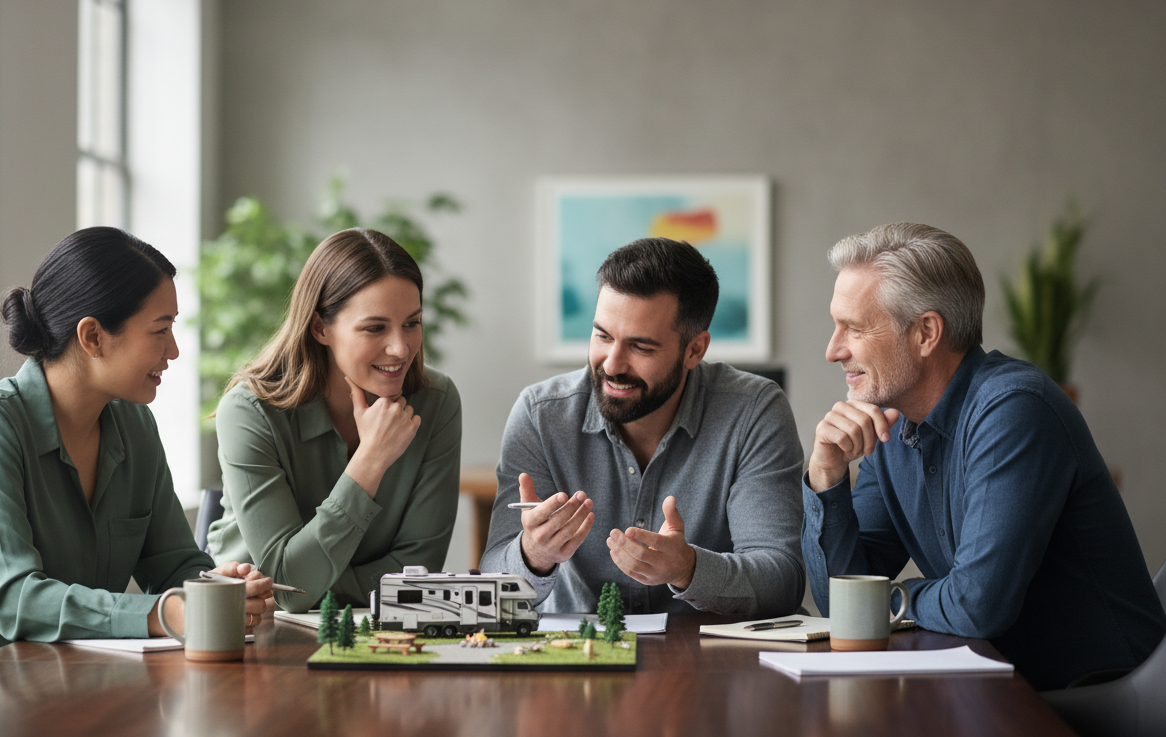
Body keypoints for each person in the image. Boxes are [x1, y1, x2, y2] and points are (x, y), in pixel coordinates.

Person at [0, 228, 274, 688]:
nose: (174, 350)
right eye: (160, 330)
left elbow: (172, 565)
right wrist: (169, 613)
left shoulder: (135, 426)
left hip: (56, 677)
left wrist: (214, 589)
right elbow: (16, 600)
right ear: (93, 336)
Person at [802, 222, 1166, 691]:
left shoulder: (1015, 409)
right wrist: (826, 474)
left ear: (926, 333)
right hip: (1001, 690)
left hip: (1102, 697)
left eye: (852, 327)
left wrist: (886, 602)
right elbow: (841, 604)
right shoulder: (891, 427)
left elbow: (977, 605)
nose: (833, 350)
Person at [481, 238, 804, 616]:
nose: (613, 364)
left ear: (695, 350)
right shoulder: (540, 415)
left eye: (641, 348)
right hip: (578, 658)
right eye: (602, 335)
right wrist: (534, 554)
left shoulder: (754, 412)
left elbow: (783, 580)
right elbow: (492, 586)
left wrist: (689, 569)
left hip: (711, 661)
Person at [206, 228, 461, 613]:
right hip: (251, 626)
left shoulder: (436, 402)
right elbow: (288, 579)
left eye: (412, 322)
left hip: (369, 630)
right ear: (320, 328)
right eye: (375, 327)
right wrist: (370, 461)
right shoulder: (248, 411)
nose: (401, 347)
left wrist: (306, 586)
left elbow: (417, 571)